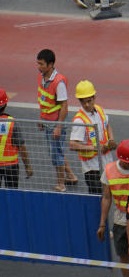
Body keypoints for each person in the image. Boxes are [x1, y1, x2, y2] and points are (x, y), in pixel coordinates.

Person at [97, 139, 129, 277]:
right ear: (120, 159)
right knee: (124, 256)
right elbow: (106, 198)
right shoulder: (109, 170)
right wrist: (102, 223)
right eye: (128, 162)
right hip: (121, 220)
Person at [36, 49, 78, 192]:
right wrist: (41, 118)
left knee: (56, 154)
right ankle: (71, 176)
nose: (39, 67)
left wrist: (58, 127)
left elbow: (64, 106)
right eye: (38, 63)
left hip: (55, 124)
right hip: (48, 122)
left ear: (51, 64)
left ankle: (61, 183)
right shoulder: (42, 78)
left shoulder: (58, 82)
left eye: (41, 64)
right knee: (57, 151)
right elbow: (44, 100)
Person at [69, 80, 117, 194]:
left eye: (89, 101)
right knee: (96, 195)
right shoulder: (80, 120)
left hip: (106, 162)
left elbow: (107, 125)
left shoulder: (99, 110)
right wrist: (96, 148)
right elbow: (72, 144)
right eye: (83, 102)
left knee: (107, 195)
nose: (86, 105)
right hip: (92, 167)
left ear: (94, 98)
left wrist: (111, 140)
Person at [0, 88, 33, 188]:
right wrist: (27, 167)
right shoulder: (12, 123)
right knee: (12, 195)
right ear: (5, 104)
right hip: (11, 166)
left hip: (10, 165)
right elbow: (21, 147)